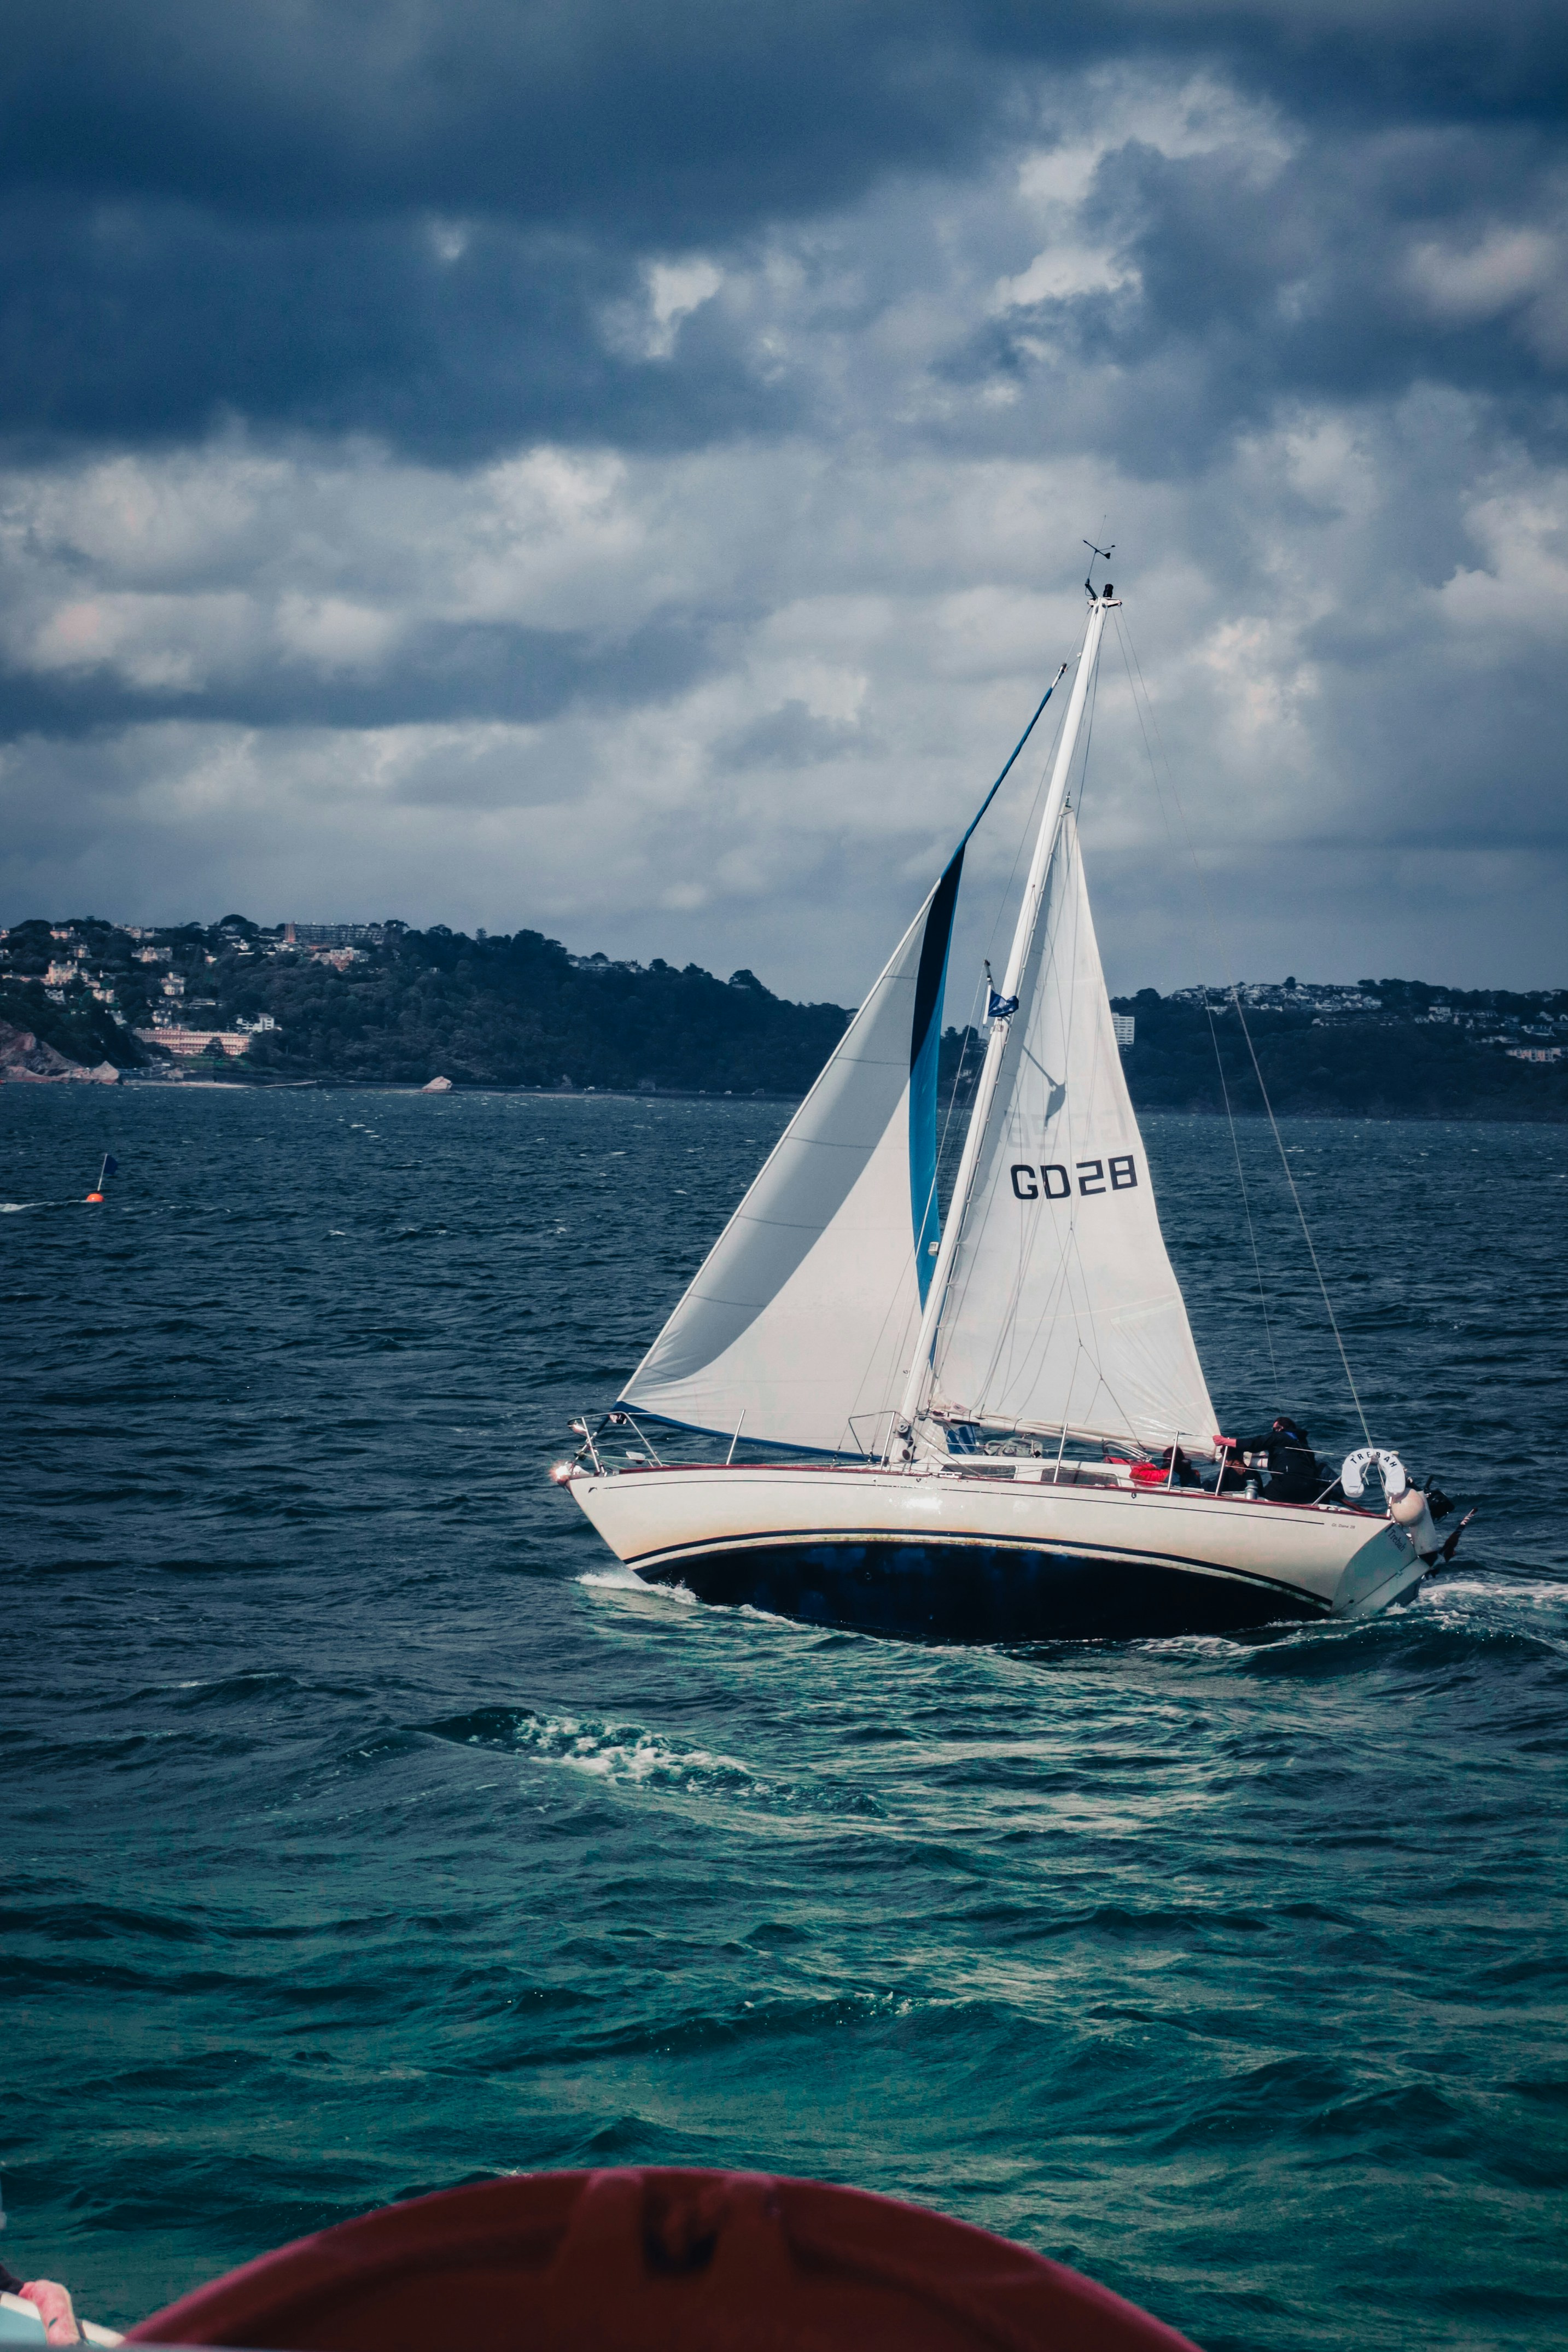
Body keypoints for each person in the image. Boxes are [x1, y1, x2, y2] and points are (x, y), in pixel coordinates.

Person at [1232, 1416, 1327, 1505]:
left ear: (1280, 1428)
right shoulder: (1306, 1448)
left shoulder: (1278, 1436)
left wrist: (1225, 1441)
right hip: (1309, 1492)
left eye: (1274, 1430)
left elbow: (1254, 1444)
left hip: (1286, 1487)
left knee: (1262, 1494)